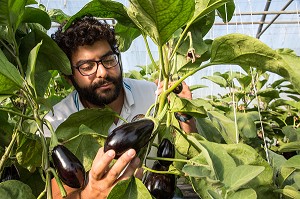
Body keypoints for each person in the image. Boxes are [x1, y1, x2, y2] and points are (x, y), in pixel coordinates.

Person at [47, 15, 197, 199]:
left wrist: (184, 113)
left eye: (108, 60)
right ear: (69, 77)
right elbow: (58, 195)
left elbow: (187, 151)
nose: (102, 72)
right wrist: (90, 194)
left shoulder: (152, 94)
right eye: (87, 66)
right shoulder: (57, 122)